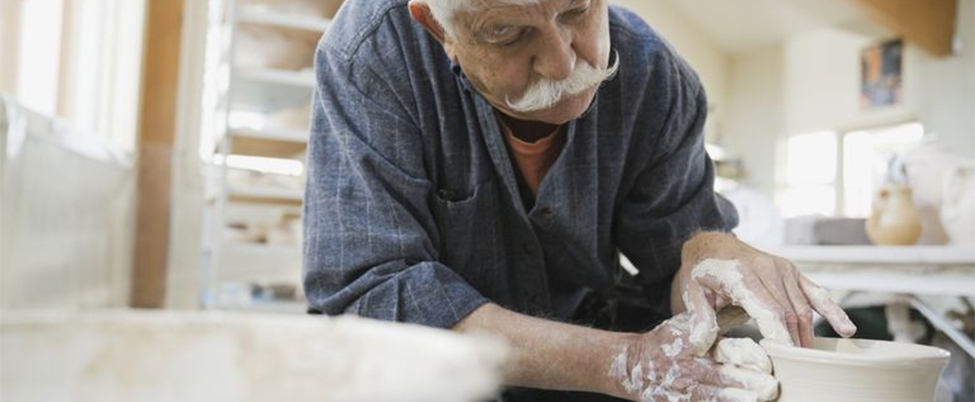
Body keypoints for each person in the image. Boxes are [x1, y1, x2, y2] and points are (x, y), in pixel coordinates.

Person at [303, 0, 858, 400]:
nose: (566, 63)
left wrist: (712, 253)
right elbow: (370, 290)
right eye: (507, 33)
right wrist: (623, 362)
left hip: (585, 353)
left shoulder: (656, 79)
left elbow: (678, 250)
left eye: (576, 11)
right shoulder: (370, 57)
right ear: (433, 23)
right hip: (419, 378)